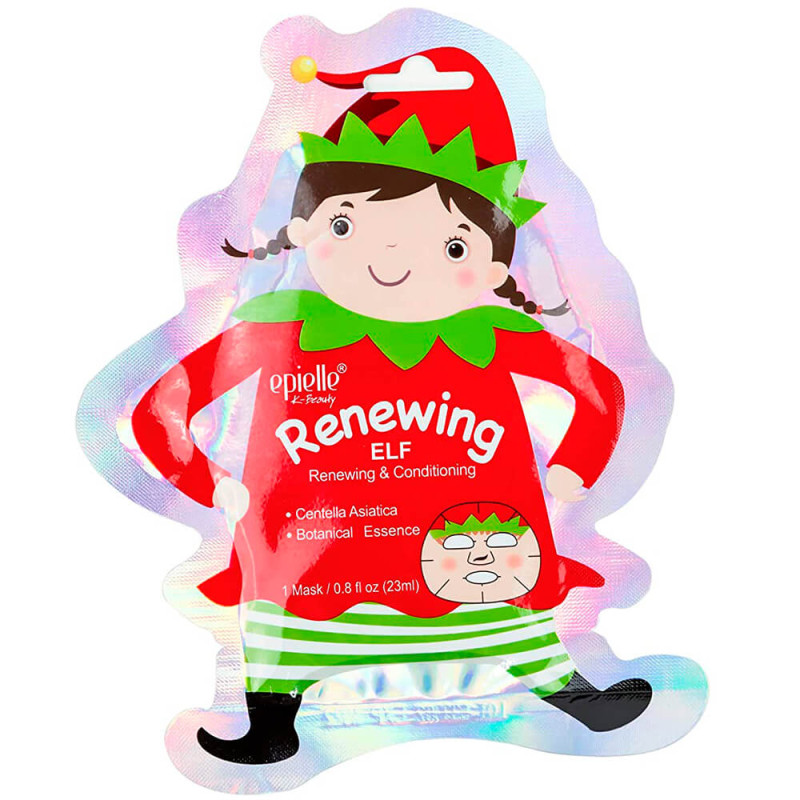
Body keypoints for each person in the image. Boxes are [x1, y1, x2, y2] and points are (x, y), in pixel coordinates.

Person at [132, 47, 651, 764]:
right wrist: (209, 482)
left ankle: (571, 695)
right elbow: (161, 407)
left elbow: (600, 388)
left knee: (514, 624)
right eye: (349, 226)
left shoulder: (493, 336)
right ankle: (273, 721)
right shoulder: (279, 334)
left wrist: (573, 465)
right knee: (286, 639)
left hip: (481, 553)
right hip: (310, 567)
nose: (394, 261)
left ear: (495, 264)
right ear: (307, 230)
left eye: (450, 245)